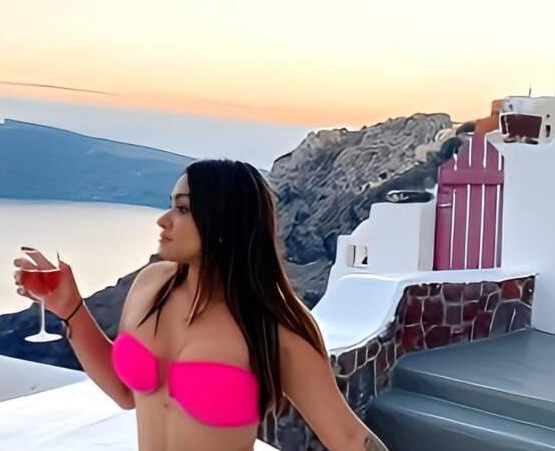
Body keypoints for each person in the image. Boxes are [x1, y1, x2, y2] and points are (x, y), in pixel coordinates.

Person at [13, 159, 389, 451]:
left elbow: (348, 438)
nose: (163, 221)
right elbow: (125, 392)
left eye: (183, 209)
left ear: (224, 222)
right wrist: (71, 308)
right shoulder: (150, 285)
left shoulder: (273, 325)